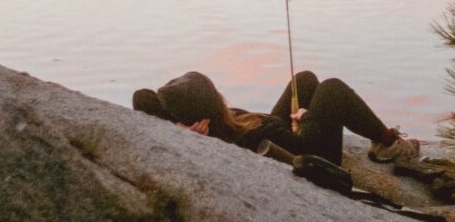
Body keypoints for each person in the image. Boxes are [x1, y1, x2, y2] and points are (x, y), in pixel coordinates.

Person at [132, 70, 420, 166]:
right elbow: (307, 143)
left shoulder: (210, 124)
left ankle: (383, 137)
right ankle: (388, 143)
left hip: (274, 128)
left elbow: (141, 98)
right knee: (332, 89)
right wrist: (306, 118)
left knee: (304, 80)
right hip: (315, 151)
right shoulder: (247, 134)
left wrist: (178, 129)